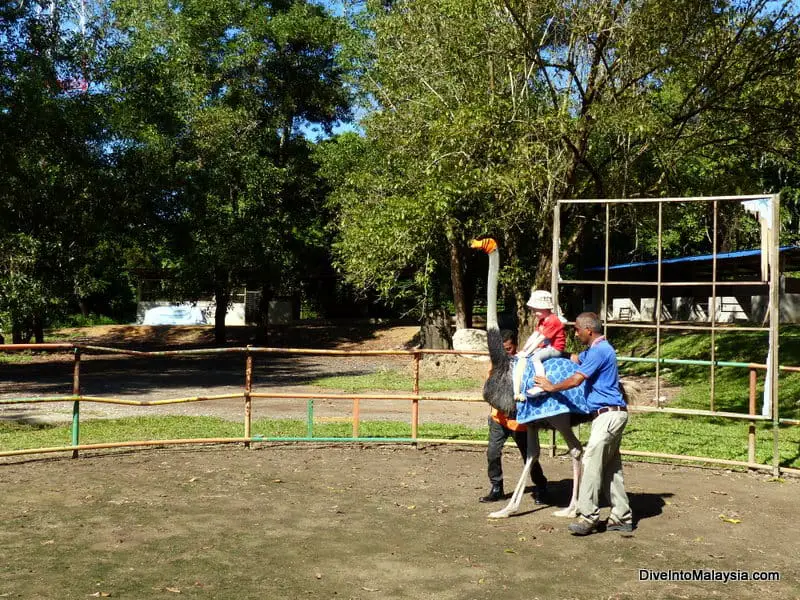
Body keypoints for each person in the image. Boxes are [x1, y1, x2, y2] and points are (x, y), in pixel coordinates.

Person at [534, 312, 634, 535]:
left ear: (589, 330)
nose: (575, 333)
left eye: (578, 329)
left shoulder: (600, 351)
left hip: (608, 415)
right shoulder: (597, 349)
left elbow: (577, 378)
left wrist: (551, 386)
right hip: (610, 415)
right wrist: (554, 352)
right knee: (611, 468)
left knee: (589, 461)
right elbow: (577, 359)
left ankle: (588, 516)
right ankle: (621, 516)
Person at [481, 329, 548, 504]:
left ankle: (541, 486)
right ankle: (496, 487)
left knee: (529, 456)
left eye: (509, 349)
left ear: (515, 346)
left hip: (520, 420)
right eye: (503, 349)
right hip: (499, 418)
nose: (506, 352)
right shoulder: (495, 364)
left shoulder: (523, 364)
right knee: (492, 453)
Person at [514, 290, 566, 399]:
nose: (534, 313)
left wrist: (528, 353)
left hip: (555, 348)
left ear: (544, 309)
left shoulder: (552, 320)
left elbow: (540, 339)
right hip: (547, 346)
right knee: (530, 354)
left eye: (536, 310)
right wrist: (524, 349)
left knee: (535, 358)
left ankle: (541, 384)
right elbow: (535, 335)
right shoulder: (542, 320)